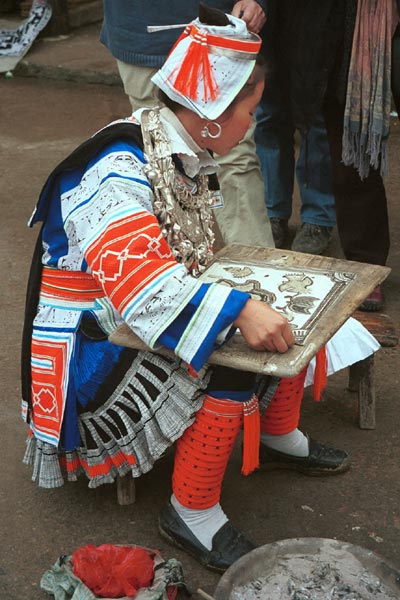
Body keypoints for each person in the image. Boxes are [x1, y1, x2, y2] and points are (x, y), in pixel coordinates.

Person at [22, 6, 378, 572]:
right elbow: (142, 290)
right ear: (211, 116)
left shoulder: (181, 147)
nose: (253, 126)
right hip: (90, 344)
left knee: (277, 301)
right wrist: (238, 307)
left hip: (129, 306)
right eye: (250, 112)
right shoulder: (118, 170)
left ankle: (278, 436)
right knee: (234, 351)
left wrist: (249, 299)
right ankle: (192, 511)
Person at [99, 0, 275, 249]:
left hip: (219, 30)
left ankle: (257, 266)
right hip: (141, 30)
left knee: (234, 159)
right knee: (160, 162)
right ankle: (172, 273)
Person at [255, 0, 336, 255]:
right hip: (266, 19)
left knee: (314, 112)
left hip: (316, 16)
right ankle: (274, 212)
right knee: (269, 114)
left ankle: (317, 217)